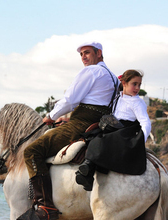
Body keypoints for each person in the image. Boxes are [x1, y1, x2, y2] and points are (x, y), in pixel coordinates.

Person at [23, 42, 119, 220]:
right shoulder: (115, 78)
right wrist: (68, 117)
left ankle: (45, 206)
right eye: (81, 54)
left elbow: (70, 99)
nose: (83, 57)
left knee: (31, 151)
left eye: (87, 53)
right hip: (99, 124)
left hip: (80, 124)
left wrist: (51, 116)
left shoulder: (91, 71)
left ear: (99, 53)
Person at [75, 69, 151, 191]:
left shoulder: (137, 102)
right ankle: (87, 173)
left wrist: (140, 140)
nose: (137, 88)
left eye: (139, 84)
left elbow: (146, 122)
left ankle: (88, 166)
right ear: (124, 83)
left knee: (102, 141)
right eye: (134, 84)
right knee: (91, 136)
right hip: (112, 126)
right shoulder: (117, 97)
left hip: (125, 131)